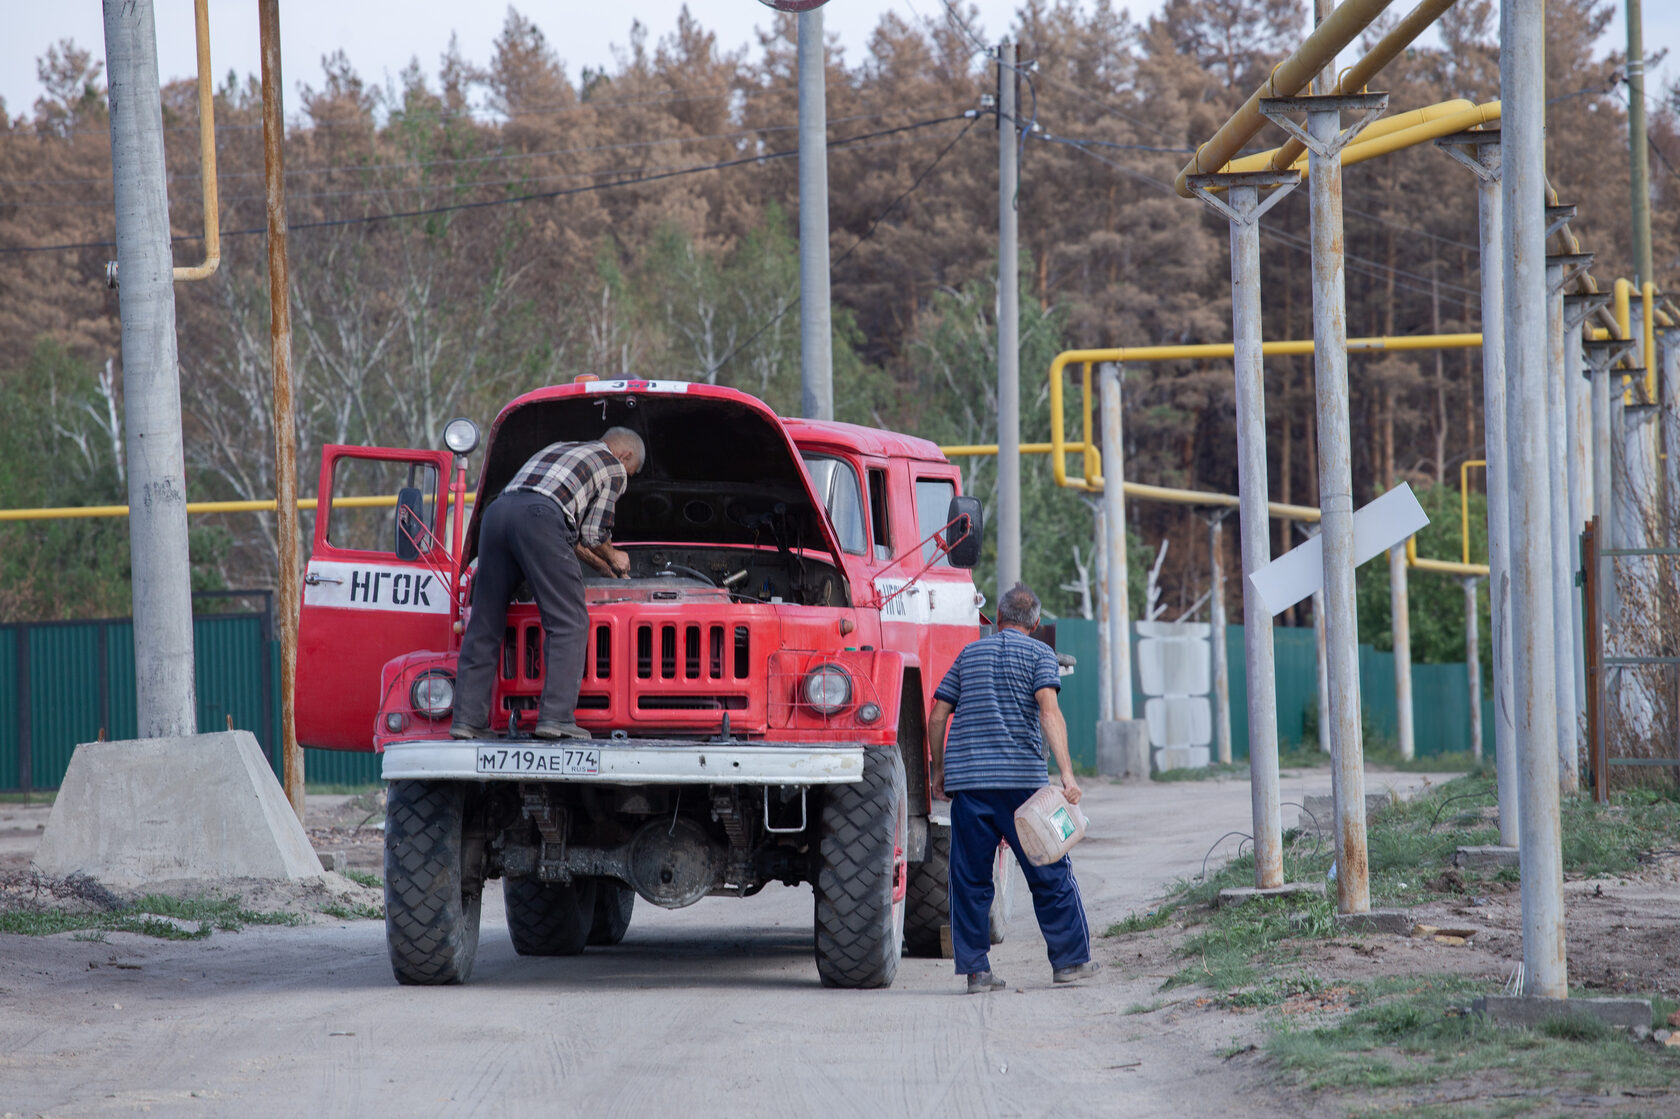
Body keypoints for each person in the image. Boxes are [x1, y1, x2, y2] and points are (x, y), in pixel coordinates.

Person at [928, 582, 1098, 993]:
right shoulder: (1041, 653)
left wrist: (938, 772)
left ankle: (976, 972)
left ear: (998, 619)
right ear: (1036, 623)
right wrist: (1068, 777)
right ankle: (1070, 962)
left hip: (970, 785)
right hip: (1025, 789)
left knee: (969, 879)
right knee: (1051, 871)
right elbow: (1049, 713)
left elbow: (937, 716)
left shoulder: (969, 653)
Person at [451, 427, 646, 741]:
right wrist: (616, 556)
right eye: (631, 470)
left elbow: (573, 536)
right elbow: (594, 534)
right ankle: (556, 718)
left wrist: (602, 564)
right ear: (625, 455)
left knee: (484, 623)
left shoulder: (559, 445)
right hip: (540, 518)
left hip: (497, 515)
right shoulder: (612, 466)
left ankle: (468, 721)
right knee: (569, 620)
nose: (627, 476)